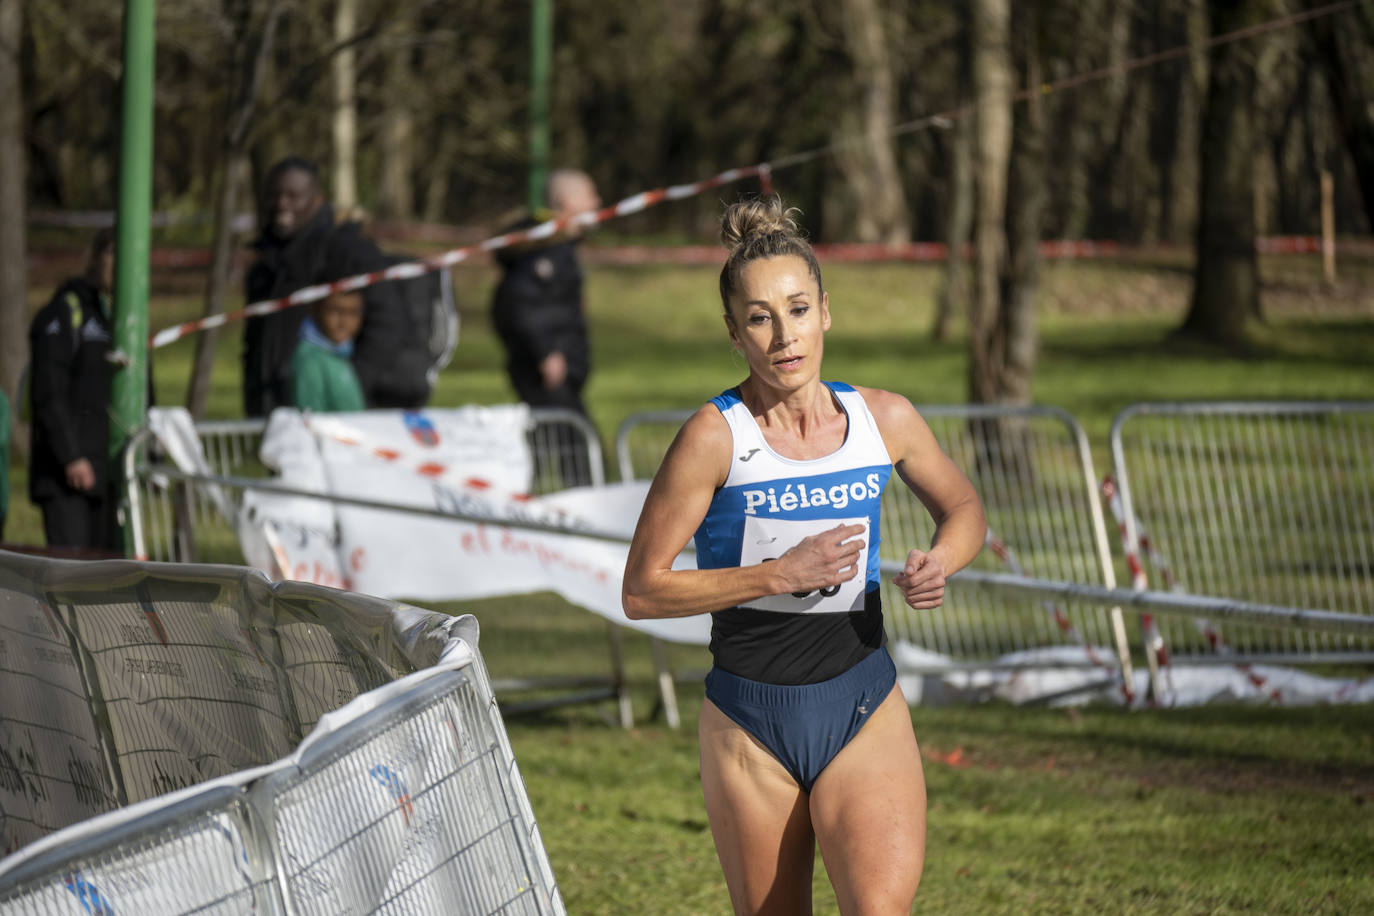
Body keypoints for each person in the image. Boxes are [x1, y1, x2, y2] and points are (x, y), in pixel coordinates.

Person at [622, 197, 987, 915]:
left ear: (825, 311)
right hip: (749, 720)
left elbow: (965, 509)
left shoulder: (884, 419)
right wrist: (776, 576)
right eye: (759, 317)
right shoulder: (714, 436)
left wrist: (942, 560)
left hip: (860, 700)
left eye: (796, 309)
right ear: (734, 333)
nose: (783, 335)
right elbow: (643, 591)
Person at [242, 156, 422, 417]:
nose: (282, 204)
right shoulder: (264, 263)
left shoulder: (347, 251)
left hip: (336, 412)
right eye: (275, 195)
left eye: (294, 196)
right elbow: (254, 342)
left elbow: (389, 322)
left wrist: (348, 383)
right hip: (274, 410)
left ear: (317, 199)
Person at [490, 169, 602, 486]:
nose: (598, 202)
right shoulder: (544, 249)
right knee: (575, 451)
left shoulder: (558, 246)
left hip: (560, 369)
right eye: (589, 195)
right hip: (548, 370)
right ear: (568, 202)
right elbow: (519, 303)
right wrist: (546, 352)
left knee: (551, 448)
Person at [26, 228, 119, 550]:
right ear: (95, 257)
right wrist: (71, 456)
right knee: (73, 580)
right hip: (67, 478)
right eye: (112, 252)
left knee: (112, 585)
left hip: (111, 478)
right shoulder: (66, 310)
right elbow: (47, 390)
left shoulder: (123, 319)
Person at [288, 257, 367, 414]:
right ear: (314, 309)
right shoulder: (309, 360)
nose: (344, 322)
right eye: (335, 310)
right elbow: (312, 423)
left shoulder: (340, 354)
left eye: (353, 313)